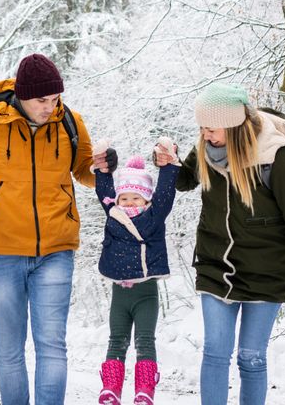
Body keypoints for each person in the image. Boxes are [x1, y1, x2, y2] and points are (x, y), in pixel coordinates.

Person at [0, 53, 117, 405]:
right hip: (2, 252)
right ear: (22, 95)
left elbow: (84, 170)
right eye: (42, 100)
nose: (50, 107)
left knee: (52, 348)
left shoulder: (69, 122)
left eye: (55, 99)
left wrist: (102, 167)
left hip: (56, 250)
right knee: (10, 351)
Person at [172, 83, 285, 405]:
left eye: (211, 129)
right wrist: (166, 159)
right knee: (216, 352)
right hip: (217, 266)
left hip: (266, 272)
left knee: (251, 357)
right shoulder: (207, 146)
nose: (205, 135)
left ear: (233, 126)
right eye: (201, 128)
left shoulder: (274, 155)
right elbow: (183, 180)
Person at [94, 139, 180, 405]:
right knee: (116, 339)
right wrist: (103, 170)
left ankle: (144, 391)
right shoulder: (114, 214)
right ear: (117, 198)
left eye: (136, 197)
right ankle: (110, 389)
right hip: (120, 293)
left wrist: (168, 167)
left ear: (146, 198)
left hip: (146, 292)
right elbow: (104, 191)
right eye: (124, 197)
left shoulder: (154, 216)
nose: (129, 201)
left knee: (145, 340)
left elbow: (166, 193)